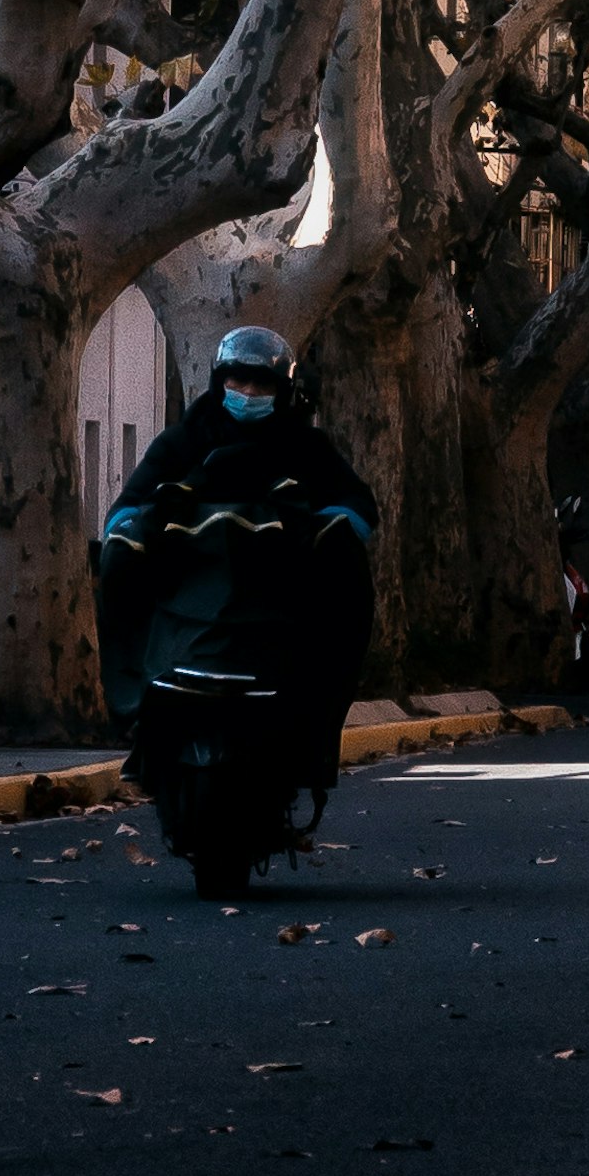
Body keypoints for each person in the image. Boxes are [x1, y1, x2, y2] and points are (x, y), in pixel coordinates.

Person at [96, 326, 377, 892]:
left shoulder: (307, 446)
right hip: (186, 610)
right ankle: (135, 707)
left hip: (275, 612)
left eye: (260, 381)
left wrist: (341, 527)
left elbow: (356, 504)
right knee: (114, 570)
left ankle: (312, 726)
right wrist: (126, 529)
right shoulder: (181, 441)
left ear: (283, 389)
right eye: (237, 378)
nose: (246, 389)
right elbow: (128, 506)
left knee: (349, 594)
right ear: (217, 380)